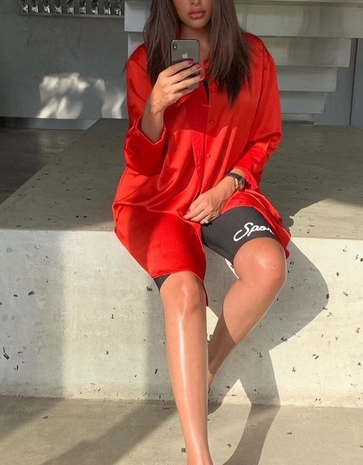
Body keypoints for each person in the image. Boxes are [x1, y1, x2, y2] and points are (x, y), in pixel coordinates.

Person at [112, 0, 291, 461]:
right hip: (158, 200)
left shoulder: (254, 57)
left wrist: (226, 187)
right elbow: (140, 160)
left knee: (269, 267)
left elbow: (264, 137)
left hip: (224, 191)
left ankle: (207, 366)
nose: (194, 0)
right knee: (185, 293)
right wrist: (155, 106)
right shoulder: (145, 63)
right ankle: (199, 456)